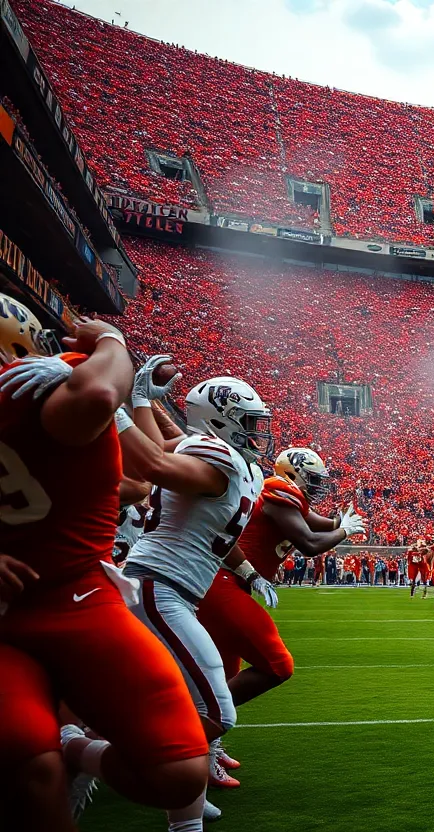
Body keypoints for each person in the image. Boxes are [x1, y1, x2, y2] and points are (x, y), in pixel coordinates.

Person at [0, 311, 208, 830]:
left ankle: (76, 749)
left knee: (179, 772)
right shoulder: (58, 385)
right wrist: (112, 343)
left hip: (76, 597)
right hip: (69, 596)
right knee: (32, 768)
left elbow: (135, 482)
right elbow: (102, 404)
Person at [120, 373, 272, 814]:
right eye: (247, 421)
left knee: (182, 698)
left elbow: (173, 443)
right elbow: (155, 464)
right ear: (222, 421)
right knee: (219, 713)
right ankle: (122, 757)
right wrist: (125, 406)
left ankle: (186, 797)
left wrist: (144, 403)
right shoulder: (218, 457)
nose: (256, 432)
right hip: (159, 584)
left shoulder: (227, 459)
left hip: (173, 588)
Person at [196, 447, 363, 770]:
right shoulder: (277, 490)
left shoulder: (289, 498)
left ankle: (205, 748)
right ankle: (191, 732)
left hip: (233, 584)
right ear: (292, 474)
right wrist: (345, 530)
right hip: (224, 582)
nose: (317, 486)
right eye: (312, 479)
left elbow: (320, 524)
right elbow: (310, 543)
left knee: (225, 676)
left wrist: (342, 519)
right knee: (277, 665)